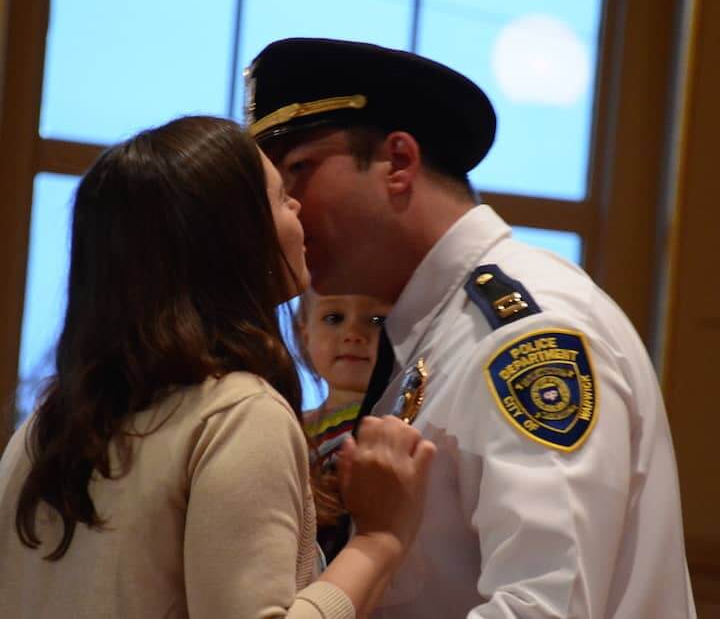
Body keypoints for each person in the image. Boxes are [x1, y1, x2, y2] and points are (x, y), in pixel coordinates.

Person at [245, 38, 697, 618]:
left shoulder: (523, 337)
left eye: (298, 170)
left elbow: (543, 607)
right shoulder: (432, 328)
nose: (286, 206)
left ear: (399, 162)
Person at [0, 115, 437, 619]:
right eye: (279, 196)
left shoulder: (46, 423)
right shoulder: (236, 414)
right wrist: (380, 537)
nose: (298, 206)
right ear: (234, 236)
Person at [294, 289, 392, 467]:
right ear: (305, 337)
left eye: (378, 320)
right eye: (334, 318)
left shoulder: (403, 419)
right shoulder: (292, 427)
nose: (353, 334)